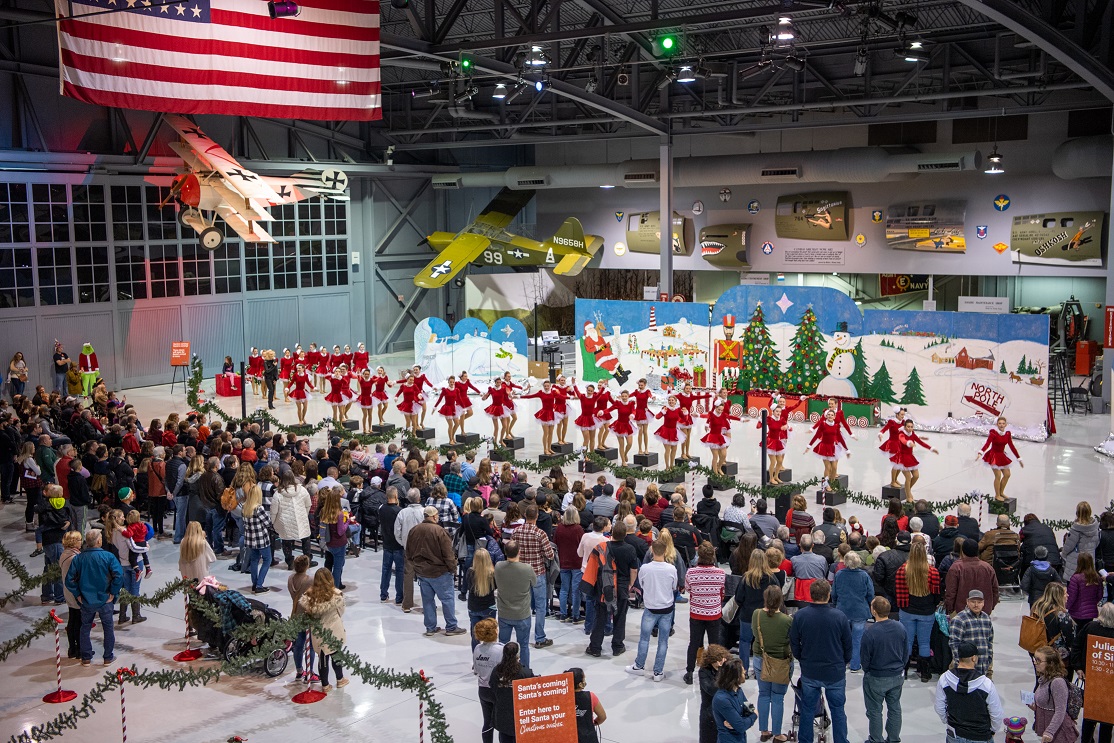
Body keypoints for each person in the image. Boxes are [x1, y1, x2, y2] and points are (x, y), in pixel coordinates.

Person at [789, 580, 851, 743]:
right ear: (829, 595)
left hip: (810, 670)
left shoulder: (800, 616)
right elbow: (848, 644)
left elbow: (794, 642)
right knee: (838, 711)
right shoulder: (840, 616)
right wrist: (843, 662)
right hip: (835, 671)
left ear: (811, 595)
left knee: (807, 710)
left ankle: (805, 740)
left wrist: (801, 658)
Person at [65, 529, 124, 667]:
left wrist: (78, 594)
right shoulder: (108, 557)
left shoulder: (79, 558)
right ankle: (108, 657)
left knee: (85, 628)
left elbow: (69, 580)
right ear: (98, 541)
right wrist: (112, 593)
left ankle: (86, 657)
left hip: (86, 600)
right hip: (105, 600)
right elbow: (119, 576)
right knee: (108, 628)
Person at [407, 505, 465, 637]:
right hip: (440, 572)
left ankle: (430, 627)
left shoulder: (414, 530)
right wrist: (453, 569)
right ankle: (451, 627)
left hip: (422, 572)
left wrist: (416, 566)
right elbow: (448, 554)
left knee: (427, 600)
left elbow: (409, 552)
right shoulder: (440, 531)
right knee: (447, 599)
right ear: (434, 517)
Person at [586, 519, 639, 659]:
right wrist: (630, 585)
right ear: (625, 535)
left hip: (604, 587)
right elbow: (634, 569)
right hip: (622, 587)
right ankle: (617, 646)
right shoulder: (630, 549)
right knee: (620, 617)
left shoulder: (601, 547)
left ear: (612, 533)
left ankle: (595, 647)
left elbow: (593, 567)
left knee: (601, 617)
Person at [627, 538, 678, 682]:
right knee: (663, 641)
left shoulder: (645, 568)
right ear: (666, 551)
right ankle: (658, 672)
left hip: (650, 608)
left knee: (644, 638)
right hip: (667, 608)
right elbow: (674, 587)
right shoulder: (671, 569)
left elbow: (641, 584)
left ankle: (639, 666)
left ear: (652, 551)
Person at [934, 641, 1004, 743]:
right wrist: (993, 730)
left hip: (955, 734)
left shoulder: (945, 679)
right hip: (980, 736)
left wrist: (948, 721)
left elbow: (939, 707)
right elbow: (996, 713)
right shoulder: (985, 684)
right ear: (973, 658)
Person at [861, 597, 907, 743]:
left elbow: (865, 658)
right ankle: (893, 739)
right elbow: (906, 652)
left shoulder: (870, 632)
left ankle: (876, 739)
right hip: (896, 676)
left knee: (874, 711)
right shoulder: (900, 627)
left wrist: (868, 671)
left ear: (874, 611)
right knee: (895, 708)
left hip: (876, 676)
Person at [895, 540, 941, 682]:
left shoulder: (902, 570)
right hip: (926, 612)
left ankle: (904, 670)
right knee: (925, 642)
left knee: (907, 642)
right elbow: (937, 595)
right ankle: (925, 674)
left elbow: (897, 592)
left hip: (907, 610)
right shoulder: (932, 571)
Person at [752, 586, 793, 743]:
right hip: (780, 663)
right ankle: (777, 734)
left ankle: (764, 731)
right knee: (777, 697)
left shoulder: (756, 615)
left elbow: (755, 634)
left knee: (763, 694)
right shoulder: (787, 621)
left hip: (760, 659)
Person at [299, 568, 349, 692]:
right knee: (336, 654)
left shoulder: (308, 596)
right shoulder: (336, 595)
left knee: (322, 657)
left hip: (318, 631)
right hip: (334, 629)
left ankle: (325, 685)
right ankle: (340, 679)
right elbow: (341, 611)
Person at [513, 504, 555, 650]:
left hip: (520, 573)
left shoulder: (516, 532)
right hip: (537, 573)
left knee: (524, 606)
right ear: (536, 516)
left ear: (525, 515)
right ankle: (540, 638)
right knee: (540, 607)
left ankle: (522, 636)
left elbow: (513, 551)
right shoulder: (540, 534)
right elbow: (550, 555)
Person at [1071, 603, 1114, 743]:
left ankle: (1086, 740)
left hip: (1091, 679)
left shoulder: (1090, 627)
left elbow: (1076, 646)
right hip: (1110, 684)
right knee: (1107, 719)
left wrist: (1078, 668)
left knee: (1090, 715)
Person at [685, 540, 726, 684]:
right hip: (714, 613)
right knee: (715, 644)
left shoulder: (691, 572)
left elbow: (688, 589)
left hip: (696, 612)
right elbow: (722, 593)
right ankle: (717, 672)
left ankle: (689, 672)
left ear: (699, 556)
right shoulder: (721, 573)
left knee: (694, 643)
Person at [736, 547, 778, 672]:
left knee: (744, 641)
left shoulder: (746, 578)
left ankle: (743, 670)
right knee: (764, 643)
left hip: (748, 615)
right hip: (766, 616)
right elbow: (777, 596)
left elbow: (738, 598)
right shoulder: (772, 578)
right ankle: (761, 670)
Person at [831, 550, 873, 672]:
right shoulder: (864, 576)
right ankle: (855, 665)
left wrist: (835, 605)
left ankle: (842, 663)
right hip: (859, 611)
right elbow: (870, 593)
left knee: (842, 639)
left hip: (843, 611)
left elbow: (834, 593)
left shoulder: (839, 574)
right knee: (857, 639)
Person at [1030, 646, 1079, 743]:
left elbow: (1060, 711)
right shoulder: (1044, 678)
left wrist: (1049, 732)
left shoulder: (1057, 683)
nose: (1035, 662)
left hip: (1060, 734)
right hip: (1051, 734)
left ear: (1050, 663)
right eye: (1035, 659)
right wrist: (1036, 707)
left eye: (1039, 660)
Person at [1029, 583, 1075, 683]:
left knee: (1041, 682)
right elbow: (1070, 639)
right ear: (1058, 596)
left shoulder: (1036, 608)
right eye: (1065, 593)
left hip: (1039, 651)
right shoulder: (1062, 614)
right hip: (1059, 657)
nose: (1067, 596)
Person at [489, 642, 535, 743]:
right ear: (518, 655)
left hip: (502, 713)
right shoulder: (525, 673)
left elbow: (492, 686)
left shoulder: (496, 671)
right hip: (521, 716)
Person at [945, 539, 999, 615]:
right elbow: (995, 590)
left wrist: (950, 610)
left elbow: (950, 592)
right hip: (984, 611)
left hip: (960, 613)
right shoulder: (988, 568)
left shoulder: (956, 568)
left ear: (962, 551)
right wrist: (990, 607)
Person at [472, 617, 504, 743]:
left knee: (487, 723)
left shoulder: (477, 649)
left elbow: (475, 670)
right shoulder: (501, 649)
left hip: (483, 690)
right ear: (495, 631)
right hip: (498, 691)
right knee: (503, 724)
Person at [713, 656, 758, 743]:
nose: (744, 672)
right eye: (742, 671)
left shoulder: (738, 690)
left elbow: (750, 709)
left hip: (741, 739)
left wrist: (750, 715)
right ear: (735, 677)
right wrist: (754, 715)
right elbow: (741, 726)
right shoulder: (722, 699)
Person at [949, 590, 994, 677]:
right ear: (967, 602)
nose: (976, 605)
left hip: (983, 667)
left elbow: (990, 641)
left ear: (983, 603)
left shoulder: (986, 618)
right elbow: (954, 644)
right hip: (965, 669)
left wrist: (989, 661)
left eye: (979, 602)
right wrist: (960, 664)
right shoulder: (959, 619)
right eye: (973, 602)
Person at [241, 484, 273, 593]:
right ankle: (259, 585)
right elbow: (268, 523)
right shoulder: (259, 508)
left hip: (250, 539)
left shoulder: (244, 507)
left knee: (254, 560)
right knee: (267, 560)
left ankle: (254, 584)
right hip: (261, 539)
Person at [555, 506, 585, 623]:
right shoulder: (578, 529)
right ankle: (575, 615)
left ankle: (563, 614)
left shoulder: (559, 528)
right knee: (575, 590)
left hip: (563, 561)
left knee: (564, 589)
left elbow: (555, 543)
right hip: (576, 562)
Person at [58, 530, 83, 659]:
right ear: (74, 542)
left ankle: (72, 649)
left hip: (67, 591)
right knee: (78, 621)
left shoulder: (65, 554)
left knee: (72, 619)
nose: (81, 542)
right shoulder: (74, 557)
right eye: (79, 540)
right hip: (74, 592)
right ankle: (79, 649)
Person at [699, 644, 732, 743]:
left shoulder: (728, 668)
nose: (719, 663)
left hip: (725, 710)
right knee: (708, 738)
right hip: (709, 711)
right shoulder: (704, 671)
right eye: (716, 661)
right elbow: (711, 690)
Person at [467, 548, 498, 649]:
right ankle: (489, 659)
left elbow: (467, 586)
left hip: (473, 608)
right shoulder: (492, 574)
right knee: (490, 636)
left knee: (475, 636)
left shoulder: (470, 572)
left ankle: (476, 660)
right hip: (489, 608)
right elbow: (496, 587)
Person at [568, 667, 607, 743]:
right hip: (588, 738)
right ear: (580, 684)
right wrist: (593, 723)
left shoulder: (561, 698)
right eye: (584, 679)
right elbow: (602, 717)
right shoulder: (590, 696)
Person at [1062, 500, 1099, 578]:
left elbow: (1068, 547)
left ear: (1077, 513)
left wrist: (1063, 554)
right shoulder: (1095, 527)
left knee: (1074, 586)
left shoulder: (1076, 529)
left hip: (1076, 563)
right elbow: (1097, 543)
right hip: (1090, 561)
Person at [1066, 552, 1103, 625]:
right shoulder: (1097, 578)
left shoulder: (1076, 578)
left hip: (1077, 612)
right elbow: (1100, 595)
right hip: (1091, 612)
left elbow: (1072, 596)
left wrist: (1066, 607)